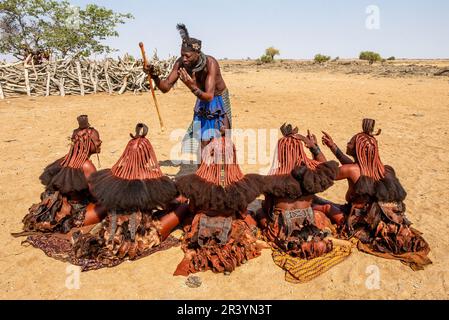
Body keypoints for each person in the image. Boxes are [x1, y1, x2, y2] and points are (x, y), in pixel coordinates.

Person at [319, 119, 431, 270]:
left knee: (323, 205)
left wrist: (315, 150)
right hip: (376, 220)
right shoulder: (382, 170)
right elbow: (353, 166)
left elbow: (325, 174)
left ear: (358, 150)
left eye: (351, 142)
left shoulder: (352, 170)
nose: (348, 143)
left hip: (360, 224)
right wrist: (333, 146)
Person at [71, 124, 188, 268]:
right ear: (147, 155)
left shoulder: (113, 175)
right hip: (141, 236)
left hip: (114, 233)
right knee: (182, 207)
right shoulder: (152, 179)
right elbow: (170, 202)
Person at [173, 135, 265, 276]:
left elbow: (192, 209)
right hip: (229, 228)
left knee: (185, 211)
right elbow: (243, 214)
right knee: (252, 218)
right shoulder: (240, 186)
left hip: (201, 227)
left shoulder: (197, 183)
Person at [144, 23, 232, 156]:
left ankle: (222, 169)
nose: (184, 59)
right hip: (201, 97)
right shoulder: (181, 63)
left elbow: (209, 96)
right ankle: (202, 170)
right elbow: (165, 87)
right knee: (201, 138)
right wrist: (154, 75)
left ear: (197, 53)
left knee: (223, 132)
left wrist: (191, 86)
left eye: (188, 56)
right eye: (182, 55)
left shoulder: (210, 63)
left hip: (219, 98)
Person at [256, 123, 339, 260]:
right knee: (319, 211)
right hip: (308, 224)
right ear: (300, 150)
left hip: (283, 229)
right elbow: (326, 167)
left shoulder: (273, 178)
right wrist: (314, 148)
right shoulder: (310, 175)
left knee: (260, 212)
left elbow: (268, 207)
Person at [20, 115, 105, 234]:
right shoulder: (86, 166)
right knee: (109, 206)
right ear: (87, 142)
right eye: (97, 139)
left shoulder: (63, 160)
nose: (100, 142)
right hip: (74, 216)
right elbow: (98, 195)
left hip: (59, 211)